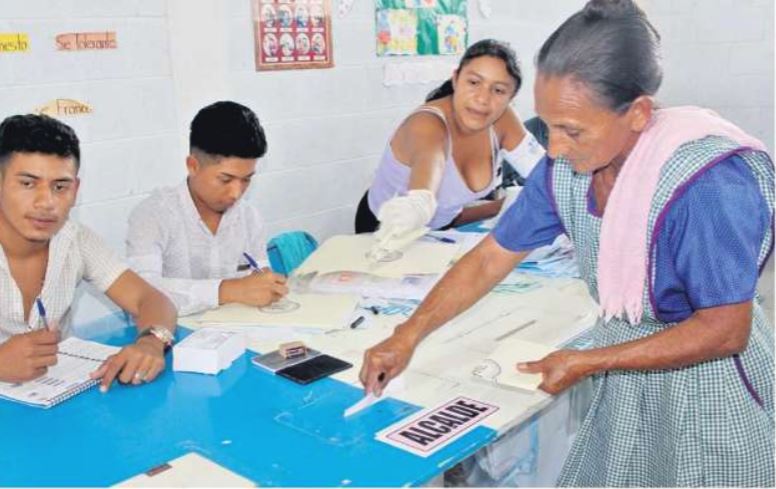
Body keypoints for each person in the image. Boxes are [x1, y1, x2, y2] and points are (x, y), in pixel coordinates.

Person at [360, 1, 774, 486]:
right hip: (626, 370)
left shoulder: (707, 184)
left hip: (709, 384)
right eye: (548, 125)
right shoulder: (567, 171)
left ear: (638, 114)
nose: (553, 148)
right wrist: (408, 334)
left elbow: (724, 330)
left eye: (572, 130)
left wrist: (589, 361)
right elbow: (491, 257)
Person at [0, 114, 177, 391]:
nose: (47, 202)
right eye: (28, 183)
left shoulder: (75, 240)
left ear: (76, 189)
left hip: (54, 401)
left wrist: (152, 341)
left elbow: (151, 298)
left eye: (60, 187)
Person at [355, 39, 545, 256]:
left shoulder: (503, 120)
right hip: (384, 231)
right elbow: (429, 169)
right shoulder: (427, 124)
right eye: (473, 82)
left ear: (511, 97)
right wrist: (419, 202)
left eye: (499, 90)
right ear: (456, 79)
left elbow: (544, 171)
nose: (483, 98)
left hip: (443, 231)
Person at [126, 101, 288, 316]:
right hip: (169, 338)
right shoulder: (153, 215)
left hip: (238, 333)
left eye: (246, 180)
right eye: (225, 179)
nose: (236, 193)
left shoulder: (249, 217)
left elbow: (259, 274)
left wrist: (267, 286)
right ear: (193, 166)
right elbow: (139, 294)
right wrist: (225, 291)